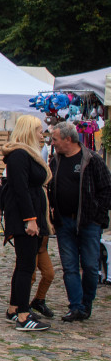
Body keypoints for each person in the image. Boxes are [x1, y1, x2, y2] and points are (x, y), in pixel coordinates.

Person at [48, 120, 111, 322]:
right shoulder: (55, 160)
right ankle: (76, 306)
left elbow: (106, 189)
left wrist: (96, 213)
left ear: (68, 139)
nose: (53, 142)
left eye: (55, 139)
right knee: (69, 266)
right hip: (64, 221)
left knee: (91, 266)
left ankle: (86, 303)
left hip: (88, 222)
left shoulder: (91, 159)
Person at [0, 114, 52, 331]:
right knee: (26, 266)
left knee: (23, 264)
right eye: (39, 130)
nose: (42, 135)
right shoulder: (20, 155)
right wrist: (30, 220)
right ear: (30, 131)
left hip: (30, 214)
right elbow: (21, 190)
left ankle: (14, 308)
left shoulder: (27, 154)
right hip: (24, 217)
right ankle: (23, 314)